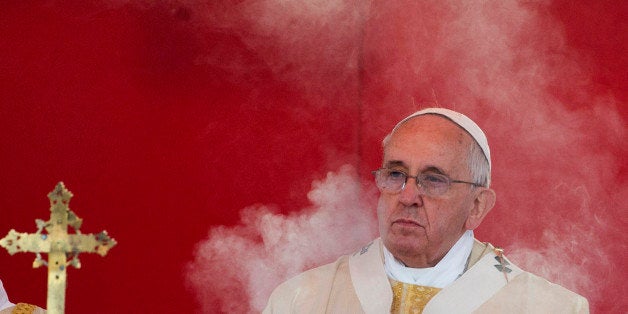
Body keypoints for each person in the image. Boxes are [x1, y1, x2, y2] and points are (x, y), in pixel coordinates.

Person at [263, 108, 589, 313]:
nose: (407, 196)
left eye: (433, 180)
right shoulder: (301, 300)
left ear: (477, 206)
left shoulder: (547, 308)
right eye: (395, 174)